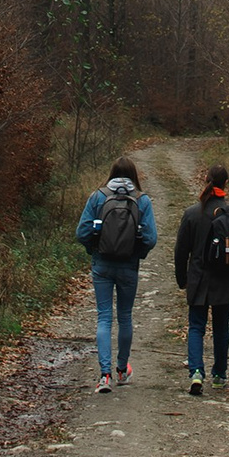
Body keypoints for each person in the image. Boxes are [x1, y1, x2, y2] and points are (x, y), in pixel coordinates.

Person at [74, 157, 159, 394]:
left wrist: (94, 247)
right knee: (125, 317)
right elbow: (151, 239)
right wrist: (137, 252)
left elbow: (81, 232)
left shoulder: (98, 196)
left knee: (104, 317)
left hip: (102, 263)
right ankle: (122, 370)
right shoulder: (142, 200)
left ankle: (104, 375)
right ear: (134, 175)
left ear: (111, 173)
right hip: (128, 265)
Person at [173, 163, 229, 396]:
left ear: (205, 180)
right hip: (224, 279)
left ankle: (196, 372)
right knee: (221, 328)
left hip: (198, 279)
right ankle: (219, 374)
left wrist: (182, 279)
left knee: (196, 327)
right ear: (225, 184)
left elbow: (181, 251)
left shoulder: (191, 214)